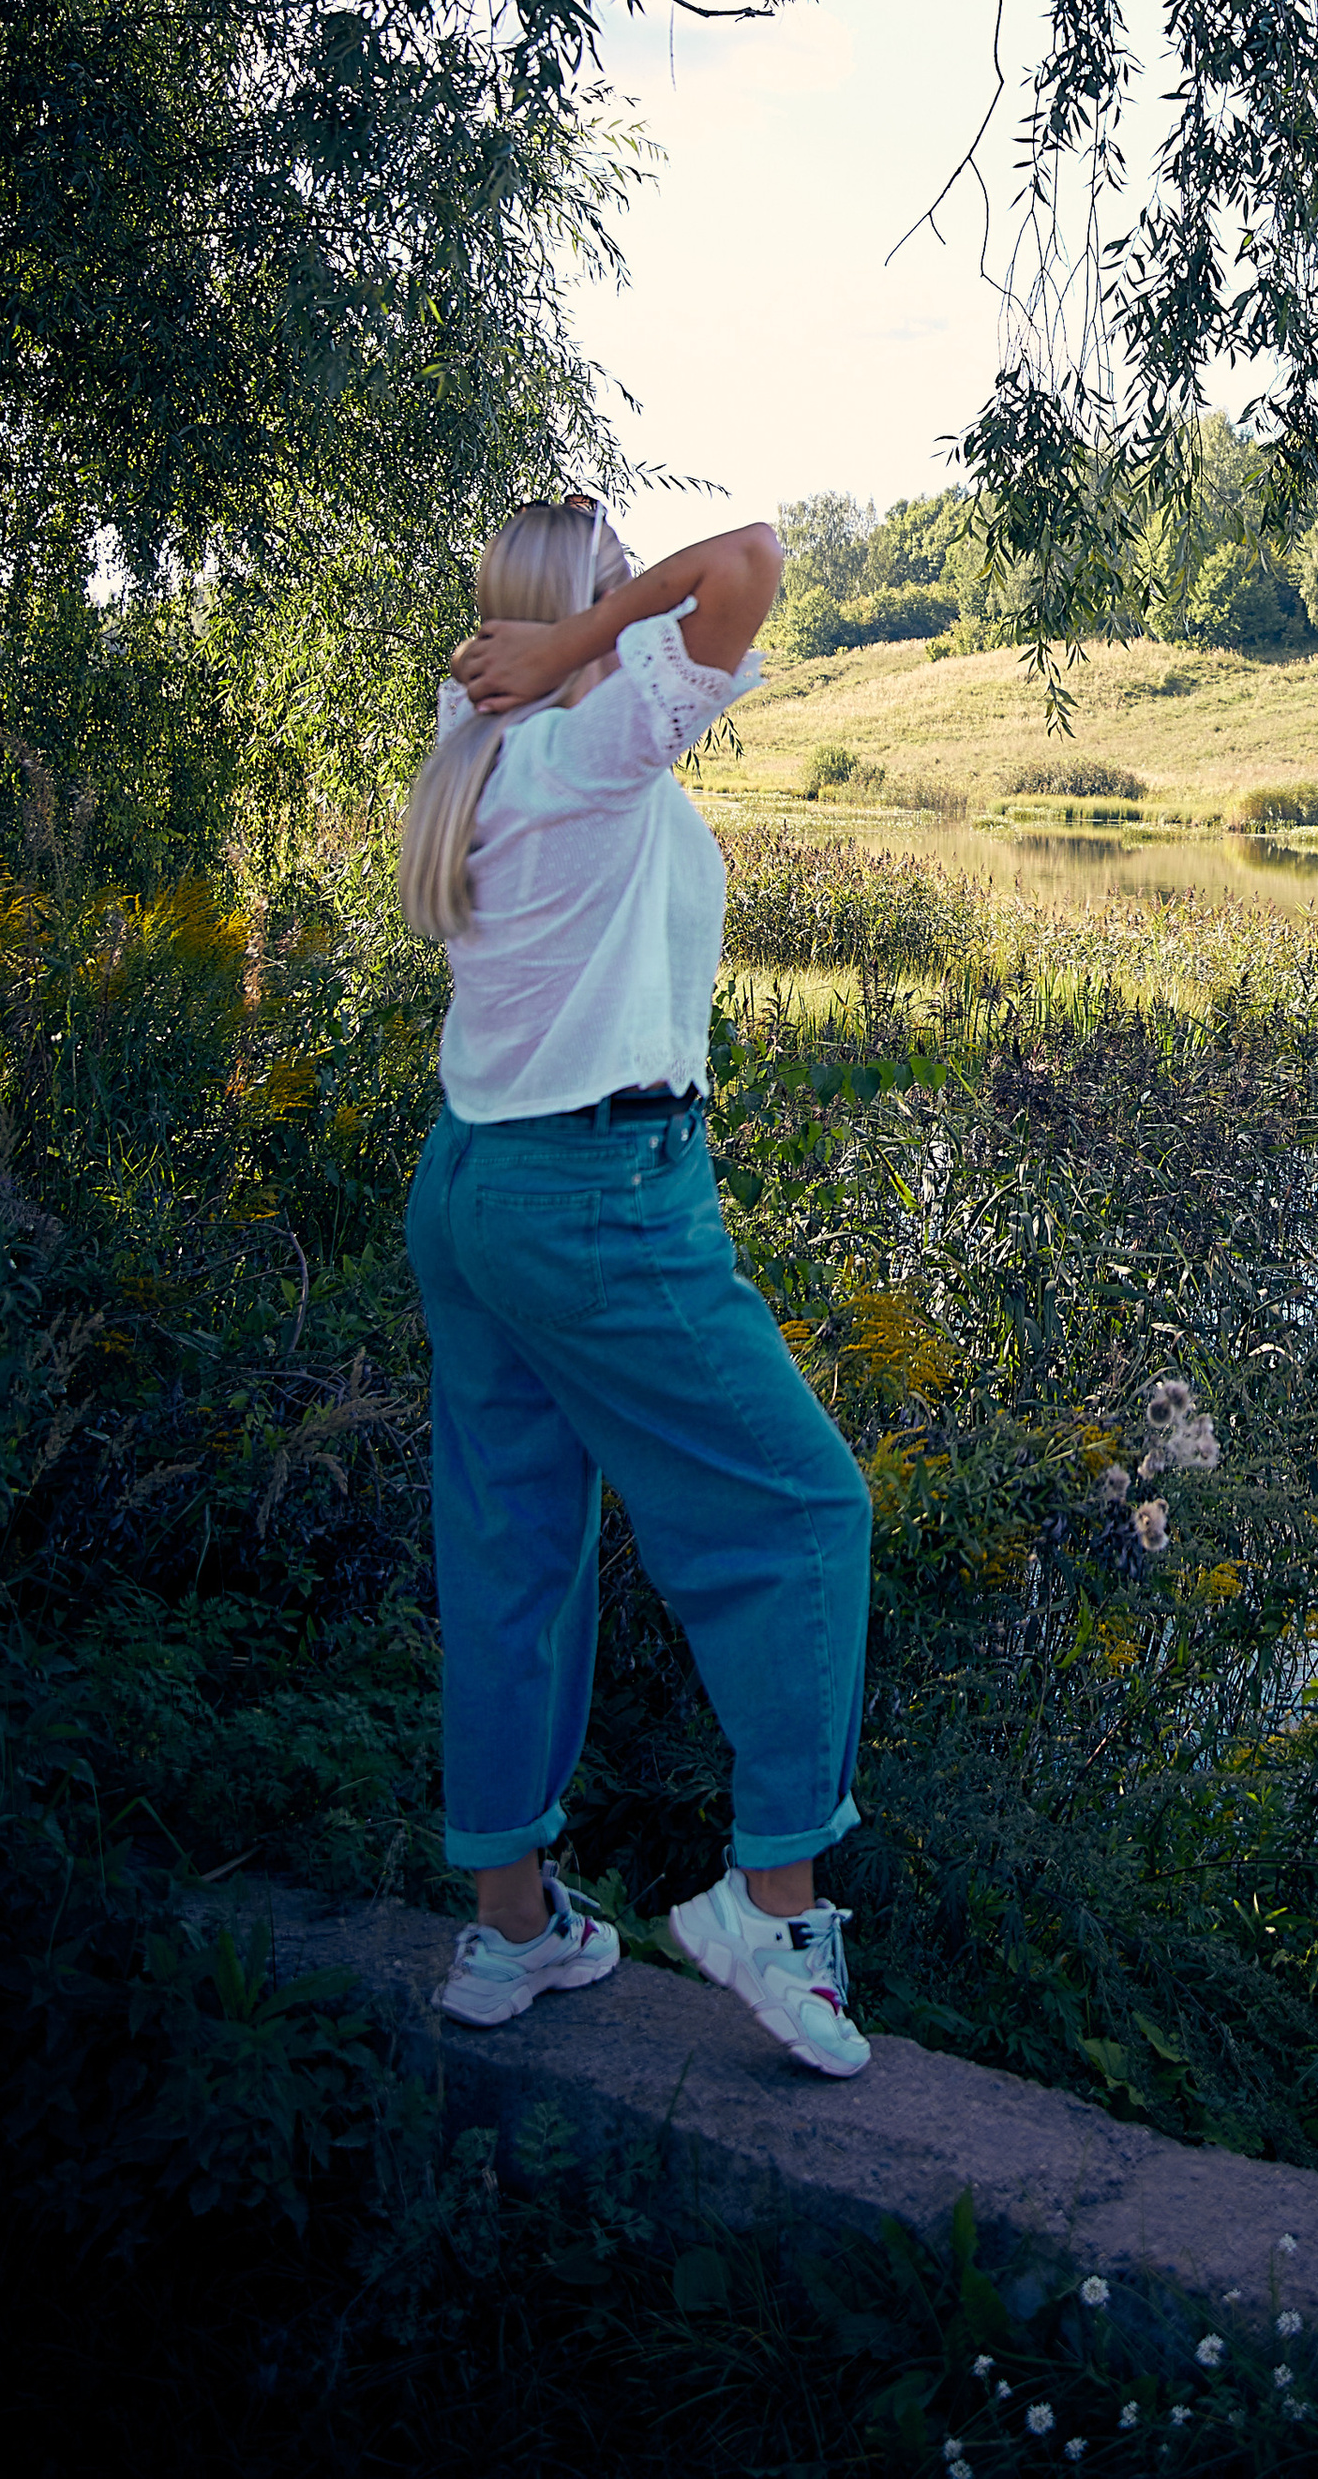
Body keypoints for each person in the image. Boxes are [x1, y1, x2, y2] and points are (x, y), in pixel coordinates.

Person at [397, 496, 874, 2076]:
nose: (636, 604)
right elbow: (750, 560)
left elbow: (702, 584)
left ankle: (511, 1930)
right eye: (610, 585)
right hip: (597, 1195)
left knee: (513, 1549)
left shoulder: (478, 751)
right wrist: (581, 644)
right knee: (804, 1513)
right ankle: (771, 1902)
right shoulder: (584, 748)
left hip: (473, 1185)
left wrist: (557, 642)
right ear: (551, 623)